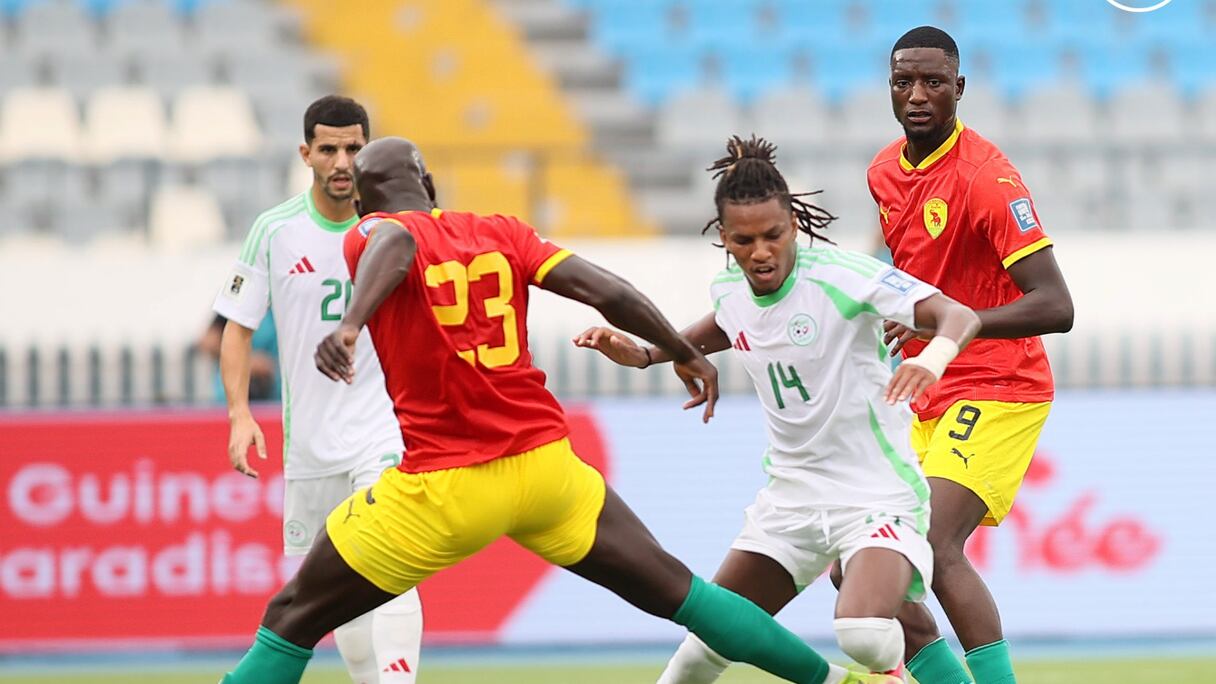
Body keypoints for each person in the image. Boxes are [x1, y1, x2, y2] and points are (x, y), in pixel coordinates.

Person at [219, 136, 899, 684]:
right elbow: (607, 290)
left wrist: (349, 325)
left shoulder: (373, 232)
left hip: (446, 486)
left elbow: (395, 245)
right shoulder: (503, 231)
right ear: (429, 183)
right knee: (683, 592)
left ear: (366, 203)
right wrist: (680, 350)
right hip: (547, 471)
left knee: (293, 615)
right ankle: (840, 682)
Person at [576, 136, 980, 683]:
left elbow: (958, 315)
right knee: (699, 652)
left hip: (876, 494)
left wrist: (932, 359)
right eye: (744, 241)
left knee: (862, 632)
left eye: (773, 235)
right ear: (723, 237)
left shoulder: (841, 275)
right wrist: (650, 353)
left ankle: (882, 675)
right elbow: (729, 321)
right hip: (791, 499)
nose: (761, 252)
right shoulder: (729, 290)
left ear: (793, 225)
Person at [866, 27, 1074, 684]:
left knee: (931, 539)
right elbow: (909, 276)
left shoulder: (987, 179)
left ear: (959, 89)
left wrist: (957, 325)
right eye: (904, 82)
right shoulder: (883, 172)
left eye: (933, 83)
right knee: (860, 561)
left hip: (1000, 384)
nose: (917, 95)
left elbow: (1057, 305)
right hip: (925, 389)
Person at [212, 96, 423, 684]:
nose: (342, 162)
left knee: (393, 559)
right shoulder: (274, 230)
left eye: (354, 148)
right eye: (329, 149)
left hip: (385, 430)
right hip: (310, 445)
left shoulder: (395, 228)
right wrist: (238, 414)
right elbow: (237, 329)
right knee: (337, 596)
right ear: (306, 154)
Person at [197, 313, 279, 402]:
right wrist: (244, 361)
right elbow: (208, 342)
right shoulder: (233, 309)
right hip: (231, 391)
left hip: (274, 392)